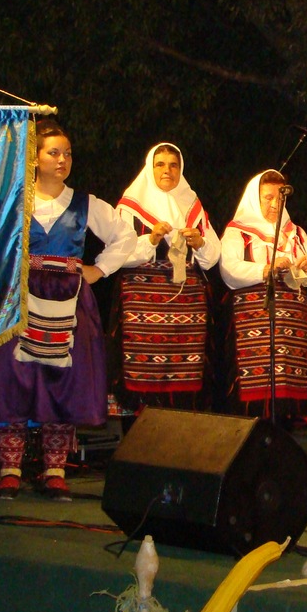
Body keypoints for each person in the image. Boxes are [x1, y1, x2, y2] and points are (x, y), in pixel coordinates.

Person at [0, 119, 138, 501]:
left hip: (69, 302)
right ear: (35, 157)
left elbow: (125, 236)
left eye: (67, 153)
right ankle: (10, 469)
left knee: (62, 382)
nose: (62, 160)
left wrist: (99, 269)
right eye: (53, 152)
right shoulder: (13, 200)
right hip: (19, 302)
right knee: (13, 379)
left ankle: (55, 471)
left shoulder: (86, 205)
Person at [219, 169, 307, 425]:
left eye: (280, 198)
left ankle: (283, 442)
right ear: (254, 199)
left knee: (287, 395)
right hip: (254, 323)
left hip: (292, 332)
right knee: (255, 396)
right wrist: (265, 270)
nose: (274, 204)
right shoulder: (239, 232)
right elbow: (229, 270)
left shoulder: (296, 234)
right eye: (267, 198)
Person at [115, 143, 221, 412]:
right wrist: (150, 239)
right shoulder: (130, 206)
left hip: (187, 305)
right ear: (150, 168)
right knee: (141, 375)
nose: (167, 170)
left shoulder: (193, 206)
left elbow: (212, 257)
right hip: (142, 303)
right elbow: (118, 255)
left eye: (173, 165)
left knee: (186, 375)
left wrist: (199, 243)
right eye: (160, 164)